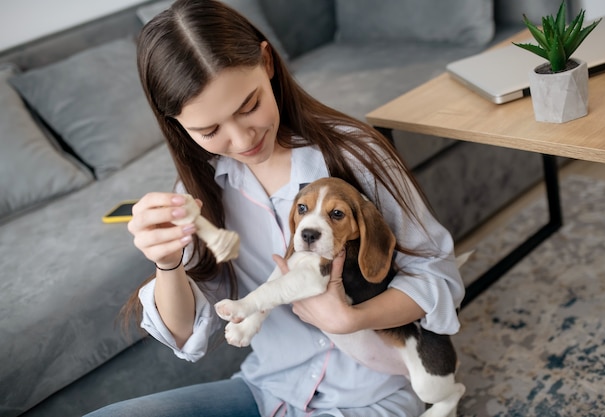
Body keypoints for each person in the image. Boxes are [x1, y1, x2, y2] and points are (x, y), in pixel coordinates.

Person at [85, 0, 465, 416]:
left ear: (267, 62)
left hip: (373, 395)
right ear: (177, 124)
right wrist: (167, 263)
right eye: (209, 130)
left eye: (249, 106)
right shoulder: (200, 193)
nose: (241, 138)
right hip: (270, 389)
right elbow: (184, 336)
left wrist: (352, 319)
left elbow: (437, 277)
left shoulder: (355, 156)